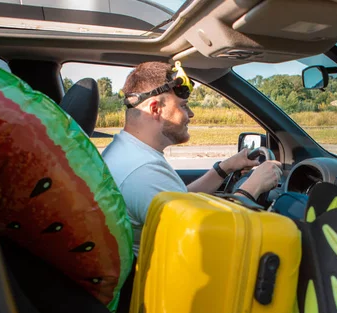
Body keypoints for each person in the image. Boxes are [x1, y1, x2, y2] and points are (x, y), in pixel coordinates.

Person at [102, 61, 283, 255]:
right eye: (183, 106)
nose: (191, 114)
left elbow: (179, 200)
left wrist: (224, 168)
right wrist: (251, 188)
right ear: (155, 109)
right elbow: (205, 237)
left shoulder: (127, 152)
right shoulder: (142, 171)